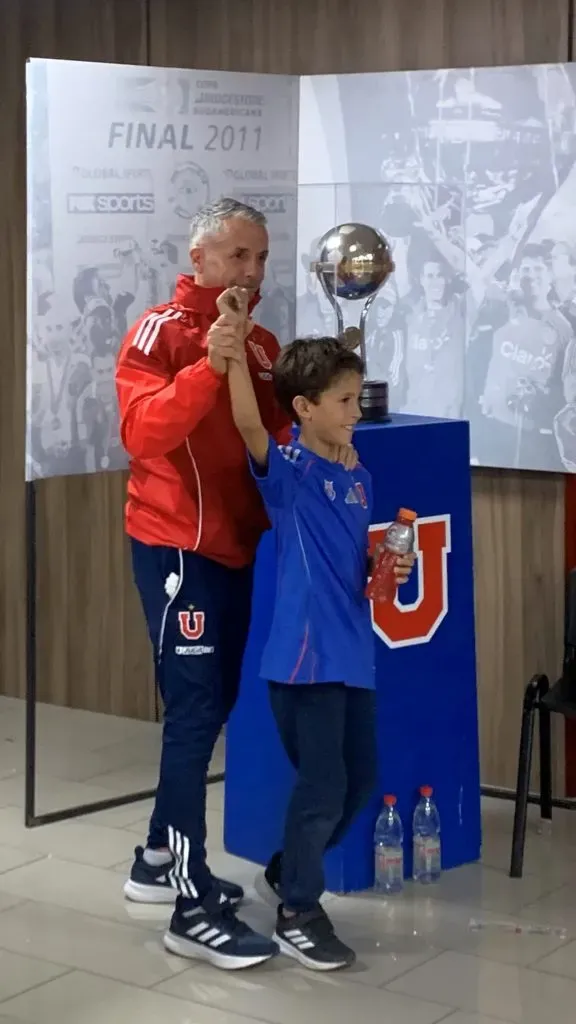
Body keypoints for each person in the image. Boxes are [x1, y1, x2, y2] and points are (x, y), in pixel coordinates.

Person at [114, 198, 357, 971]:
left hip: (241, 552)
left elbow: (281, 439)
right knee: (192, 714)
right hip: (176, 548)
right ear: (199, 259)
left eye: (260, 258)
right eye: (236, 257)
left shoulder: (263, 343)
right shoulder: (161, 331)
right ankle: (189, 906)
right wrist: (206, 365)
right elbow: (141, 432)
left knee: (213, 706)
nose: (251, 273)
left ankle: (157, 856)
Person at [224, 295, 415, 970]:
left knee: (359, 781)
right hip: (305, 660)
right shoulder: (291, 473)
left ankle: (285, 871)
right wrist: (233, 348)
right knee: (322, 786)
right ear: (304, 407)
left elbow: (352, 561)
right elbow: (249, 418)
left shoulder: (358, 477)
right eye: (343, 400)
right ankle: (298, 910)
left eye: (357, 398)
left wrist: (388, 563)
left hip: (352, 656)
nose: (355, 412)